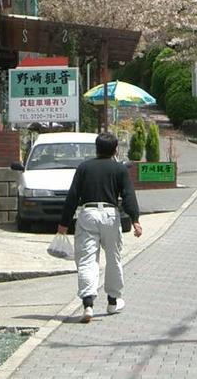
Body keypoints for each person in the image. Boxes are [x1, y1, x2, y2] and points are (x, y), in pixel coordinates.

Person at [57, 131, 142, 323]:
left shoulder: (84, 167)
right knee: (113, 258)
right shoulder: (119, 169)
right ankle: (113, 301)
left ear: (96, 149)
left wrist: (63, 223)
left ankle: (88, 304)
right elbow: (128, 195)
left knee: (87, 259)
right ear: (115, 150)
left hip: (88, 213)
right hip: (110, 215)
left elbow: (73, 196)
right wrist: (135, 220)